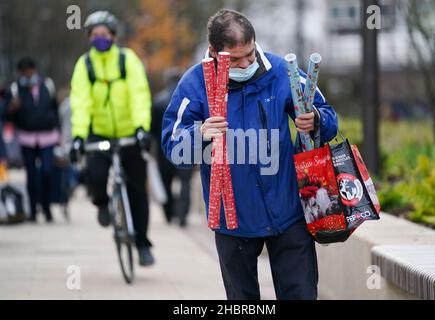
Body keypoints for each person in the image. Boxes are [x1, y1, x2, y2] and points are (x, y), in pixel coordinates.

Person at [161, 9, 338, 299]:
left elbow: (328, 117)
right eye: (235, 59)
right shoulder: (195, 84)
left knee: (302, 294)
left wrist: (316, 120)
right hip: (232, 219)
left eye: (250, 54)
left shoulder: (282, 72)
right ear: (213, 52)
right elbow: (172, 146)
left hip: (288, 210)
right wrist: (200, 133)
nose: (245, 64)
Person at [69, 11, 154, 266]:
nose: (100, 39)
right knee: (94, 174)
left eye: (104, 35)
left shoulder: (128, 60)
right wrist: (78, 136)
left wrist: (141, 127)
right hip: (99, 132)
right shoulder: (84, 65)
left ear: (114, 36)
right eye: (94, 35)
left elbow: (140, 94)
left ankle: (142, 244)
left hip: (130, 132)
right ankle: (102, 203)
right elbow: (80, 102)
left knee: (138, 189)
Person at [4, 58, 59, 223]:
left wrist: (59, 133)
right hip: (26, 138)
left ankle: (47, 207)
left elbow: (55, 109)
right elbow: (6, 115)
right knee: (32, 176)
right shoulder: (15, 89)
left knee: (47, 172)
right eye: (24, 71)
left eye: (30, 70)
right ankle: (34, 210)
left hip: (48, 137)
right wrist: (12, 108)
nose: (28, 74)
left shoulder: (47, 86)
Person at [151, 68, 193, 227]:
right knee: (185, 183)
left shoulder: (158, 100)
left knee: (166, 182)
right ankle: (182, 216)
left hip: (165, 148)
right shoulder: (188, 99)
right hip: (186, 147)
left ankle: (168, 214)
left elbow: (153, 130)